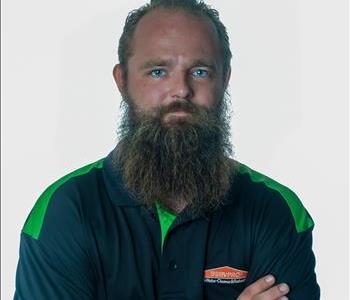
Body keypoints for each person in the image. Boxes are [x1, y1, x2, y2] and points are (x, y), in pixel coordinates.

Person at [14, 0, 320, 299]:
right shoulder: (65, 212)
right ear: (123, 81)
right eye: (158, 71)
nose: (181, 90)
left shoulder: (276, 211)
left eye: (200, 71)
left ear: (225, 79)